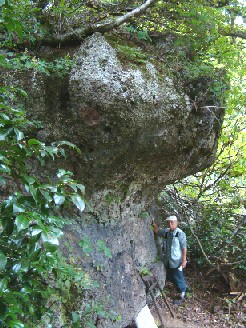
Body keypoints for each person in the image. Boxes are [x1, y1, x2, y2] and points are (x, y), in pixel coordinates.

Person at [152, 215, 187, 305]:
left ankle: (182, 294)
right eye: (169, 222)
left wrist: (184, 260)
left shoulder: (180, 233)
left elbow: (184, 247)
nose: (170, 224)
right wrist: (153, 224)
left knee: (178, 275)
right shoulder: (167, 232)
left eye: (172, 222)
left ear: (176, 223)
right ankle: (178, 288)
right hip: (168, 260)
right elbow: (158, 232)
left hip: (177, 260)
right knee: (172, 275)